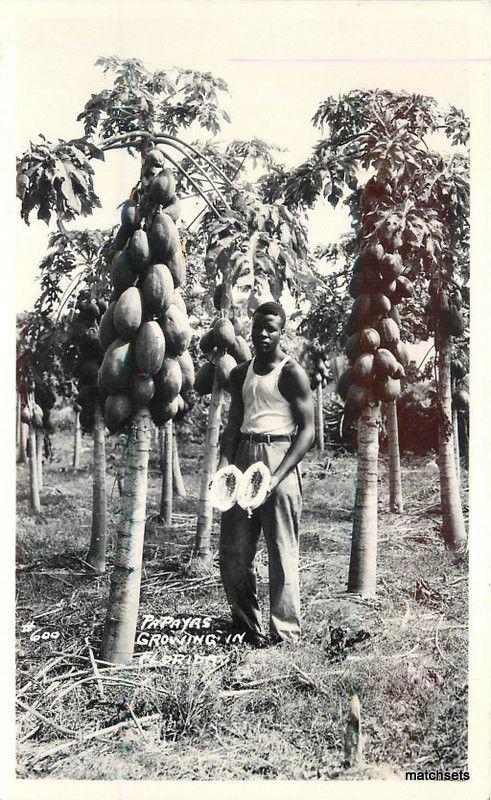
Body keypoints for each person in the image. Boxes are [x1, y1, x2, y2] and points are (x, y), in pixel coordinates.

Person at [217, 301, 315, 647]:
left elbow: (308, 431)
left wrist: (278, 475)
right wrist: (225, 465)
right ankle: (247, 627)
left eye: (270, 328)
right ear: (250, 327)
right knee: (232, 551)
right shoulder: (240, 374)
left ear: (280, 332)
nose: (262, 334)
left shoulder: (291, 373)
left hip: (279, 456)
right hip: (244, 456)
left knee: (281, 550)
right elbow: (231, 426)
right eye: (258, 327)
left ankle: (285, 635)